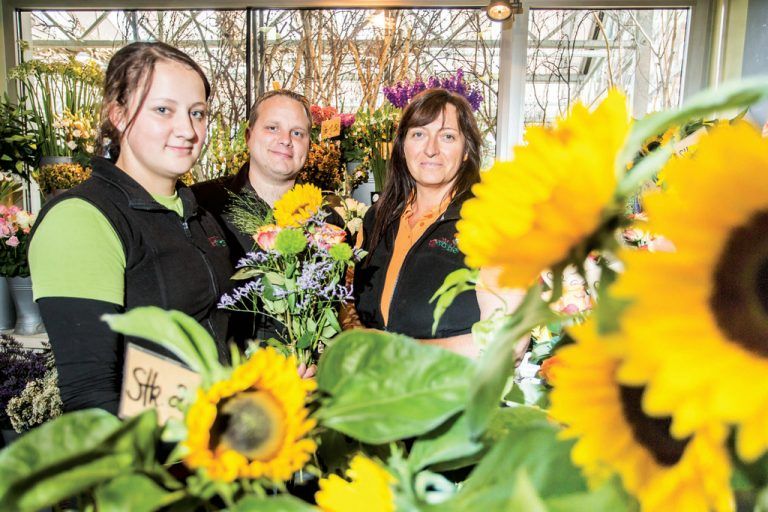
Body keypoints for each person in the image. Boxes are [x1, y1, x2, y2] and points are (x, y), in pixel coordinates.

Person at [28, 42, 234, 414]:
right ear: (118, 115)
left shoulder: (198, 214)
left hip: (213, 448)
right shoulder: (83, 218)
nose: (187, 130)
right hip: (153, 460)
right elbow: (92, 396)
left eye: (198, 113)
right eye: (162, 110)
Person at [353, 89, 523, 358]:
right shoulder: (378, 219)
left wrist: (399, 353)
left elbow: (507, 342)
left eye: (447, 136)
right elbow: (354, 303)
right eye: (418, 134)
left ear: (466, 150)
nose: (430, 149)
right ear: (402, 147)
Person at [192, 89, 313, 264]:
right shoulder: (203, 206)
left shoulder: (326, 221)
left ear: (308, 145)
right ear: (248, 136)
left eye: (297, 133)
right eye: (273, 128)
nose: (285, 140)